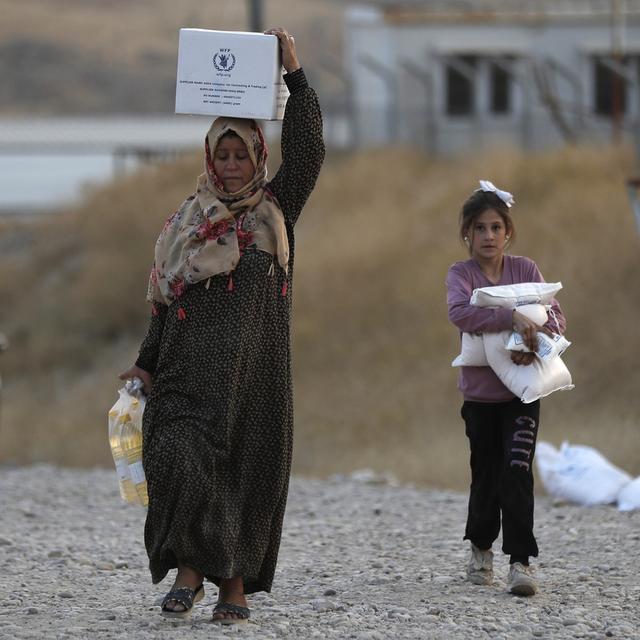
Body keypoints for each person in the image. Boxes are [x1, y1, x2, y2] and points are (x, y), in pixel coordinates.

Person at [118, 27, 324, 624]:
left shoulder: (274, 210)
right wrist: (145, 361)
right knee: (178, 454)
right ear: (211, 158)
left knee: (240, 475)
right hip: (184, 373)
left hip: (252, 378)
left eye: (242, 155)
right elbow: (165, 301)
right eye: (223, 156)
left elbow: (308, 151)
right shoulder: (185, 222)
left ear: (258, 156)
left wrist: (295, 75)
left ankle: (229, 585)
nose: (232, 167)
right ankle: (189, 569)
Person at [445, 181, 566, 596]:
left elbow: (555, 317)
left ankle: (520, 562)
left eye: (496, 227)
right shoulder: (461, 275)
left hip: (523, 396)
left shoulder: (527, 270)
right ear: (467, 233)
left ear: (508, 231)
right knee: (486, 474)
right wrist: (512, 319)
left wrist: (531, 340)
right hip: (480, 398)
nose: (489, 236)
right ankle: (481, 549)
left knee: (517, 471)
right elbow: (460, 313)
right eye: (480, 228)